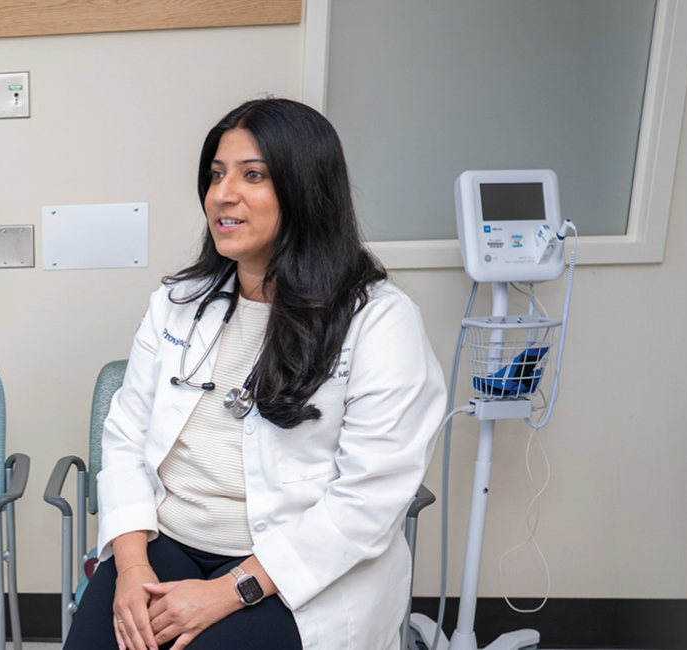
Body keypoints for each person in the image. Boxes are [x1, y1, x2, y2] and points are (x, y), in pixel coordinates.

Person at [64, 98, 448, 650]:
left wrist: (225, 592)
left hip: (290, 568)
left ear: (304, 191)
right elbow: (124, 438)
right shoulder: (177, 303)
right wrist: (127, 570)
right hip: (168, 543)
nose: (223, 194)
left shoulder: (378, 320)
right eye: (217, 175)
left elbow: (368, 499)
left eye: (253, 176)